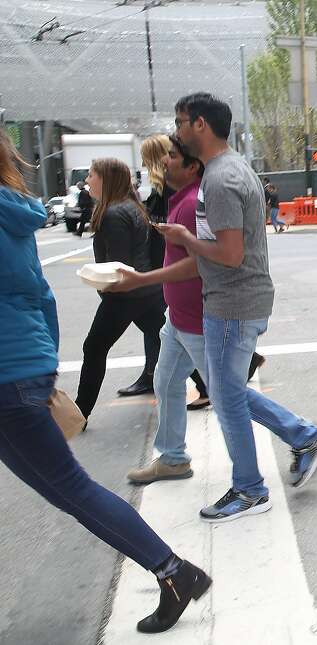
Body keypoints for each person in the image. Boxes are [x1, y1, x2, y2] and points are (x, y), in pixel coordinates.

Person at [0, 129, 210, 634]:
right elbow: (40, 296)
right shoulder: (15, 211)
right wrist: (43, 361)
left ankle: (174, 571)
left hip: (13, 371)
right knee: (66, 488)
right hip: (22, 362)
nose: (88, 182)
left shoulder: (115, 213)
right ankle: (173, 571)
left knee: (70, 487)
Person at [160, 92, 317, 521]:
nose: (177, 132)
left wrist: (183, 240)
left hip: (233, 303)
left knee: (228, 397)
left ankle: (251, 489)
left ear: (200, 124)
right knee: (227, 392)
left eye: (181, 122)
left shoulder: (220, 179)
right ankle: (303, 436)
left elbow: (230, 253)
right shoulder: (230, 169)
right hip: (235, 301)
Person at [112, 137, 275, 484]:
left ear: (191, 166)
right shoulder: (181, 199)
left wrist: (143, 279)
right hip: (179, 317)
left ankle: (300, 435)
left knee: (227, 395)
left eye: (171, 156)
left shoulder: (193, 203)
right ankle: (172, 457)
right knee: (167, 380)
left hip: (198, 318)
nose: (163, 163)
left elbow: (202, 263)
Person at [74, 159, 167, 423]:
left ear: (106, 179)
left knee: (94, 347)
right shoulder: (131, 207)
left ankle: (80, 413)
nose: (88, 180)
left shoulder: (113, 213)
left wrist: (104, 288)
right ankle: (208, 386)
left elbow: (117, 265)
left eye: (92, 175)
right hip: (144, 291)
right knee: (169, 339)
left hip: (125, 294)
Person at [118, 134, 174, 398]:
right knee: (161, 321)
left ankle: (153, 374)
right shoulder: (162, 188)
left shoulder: (165, 188)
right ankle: (151, 372)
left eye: (144, 156)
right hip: (162, 263)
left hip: (164, 264)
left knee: (160, 322)